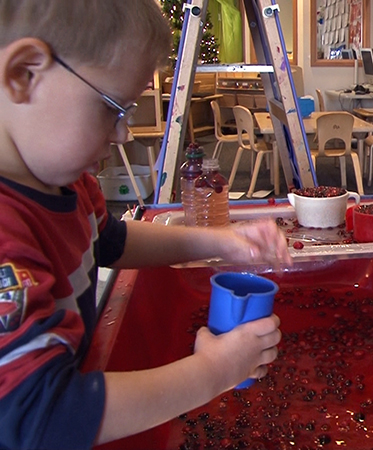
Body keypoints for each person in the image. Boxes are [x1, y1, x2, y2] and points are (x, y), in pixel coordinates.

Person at [0, 1, 292, 448]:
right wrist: (215, 371)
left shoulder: (69, 184)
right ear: (25, 74)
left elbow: (111, 242)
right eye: (112, 108)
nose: (123, 134)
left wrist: (222, 241)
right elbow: (44, 413)